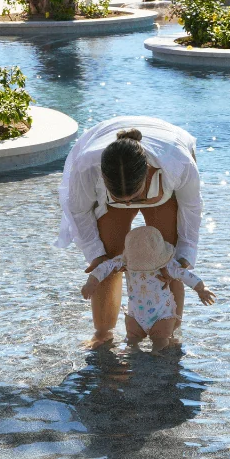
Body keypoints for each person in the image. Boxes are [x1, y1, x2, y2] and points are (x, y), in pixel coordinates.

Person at [56, 117, 203, 348]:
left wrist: (186, 254)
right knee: (108, 255)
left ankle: (168, 333)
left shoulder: (178, 162)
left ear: (147, 171)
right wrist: (95, 253)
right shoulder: (88, 166)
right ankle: (102, 333)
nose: (129, 204)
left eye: (135, 198)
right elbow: (79, 211)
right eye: (119, 199)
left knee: (168, 259)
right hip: (109, 153)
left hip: (167, 153)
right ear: (102, 178)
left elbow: (191, 208)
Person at [82, 226, 215, 351]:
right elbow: (104, 268)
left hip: (161, 316)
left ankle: (156, 359)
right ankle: (136, 358)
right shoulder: (126, 261)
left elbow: (185, 275)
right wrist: (91, 283)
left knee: (160, 342)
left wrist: (202, 289)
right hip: (135, 316)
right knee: (131, 341)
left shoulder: (165, 265)